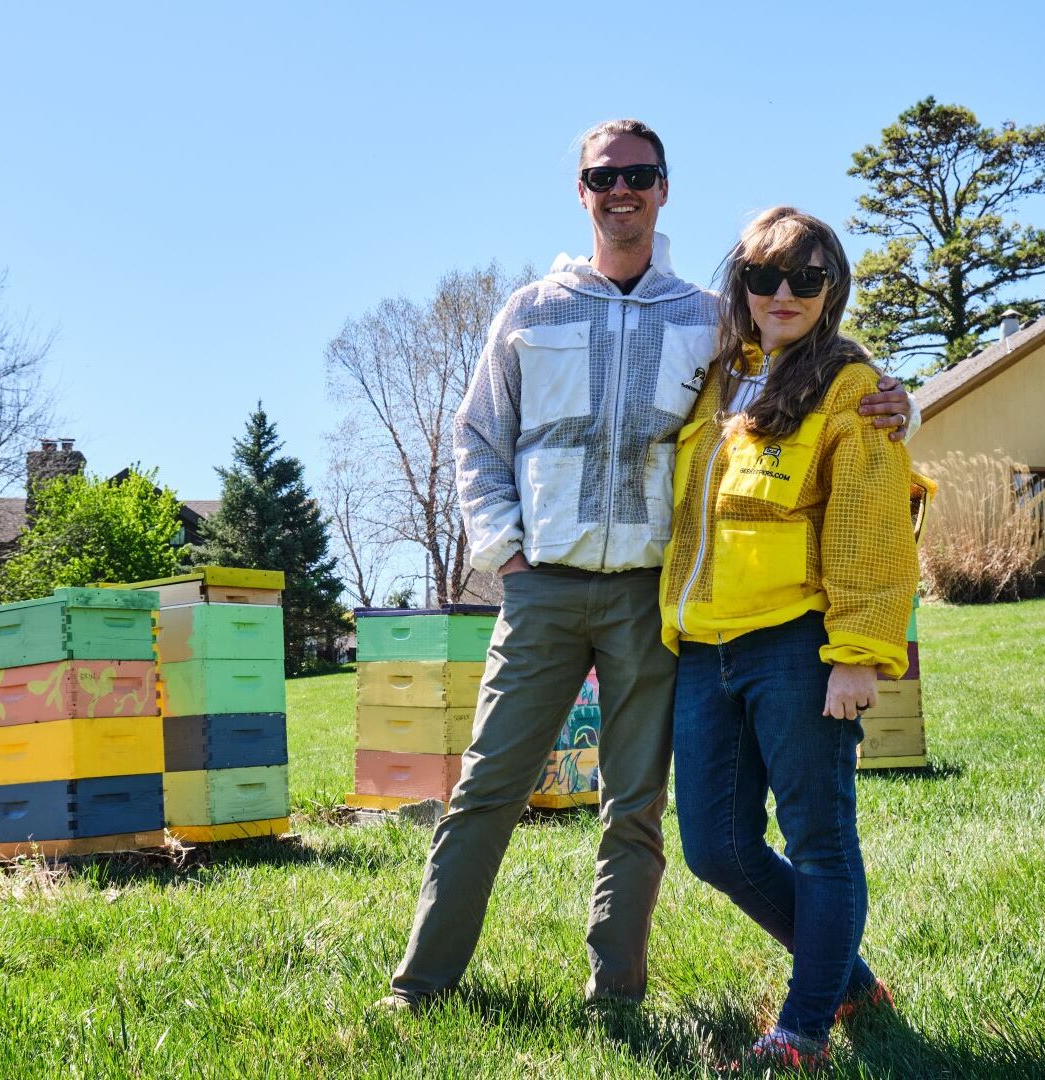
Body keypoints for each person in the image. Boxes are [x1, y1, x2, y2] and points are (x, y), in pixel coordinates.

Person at [380, 121, 917, 1011]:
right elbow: (478, 436)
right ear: (582, 191)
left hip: (649, 597)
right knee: (484, 790)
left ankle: (616, 998)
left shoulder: (705, 319)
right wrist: (503, 552)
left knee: (633, 810)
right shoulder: (529, 309)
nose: (620, 188)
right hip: (541, 588)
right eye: (603, 175)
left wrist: (907, 406)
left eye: (639, 173)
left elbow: (811, 370)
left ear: (664, 187)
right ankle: (421, 986)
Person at [659, 206, 923, 1068]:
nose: (782, 294)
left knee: (818, 840)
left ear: (831, 290)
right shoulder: (717, 379)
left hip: (795, 644)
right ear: (740, 286)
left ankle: (802, 1029)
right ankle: (849, 982)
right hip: (704, 646)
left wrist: (856, 653)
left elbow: (870, 526)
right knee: (715, 848)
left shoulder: (853, 388)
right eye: (764, 277)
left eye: (805, 279)